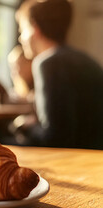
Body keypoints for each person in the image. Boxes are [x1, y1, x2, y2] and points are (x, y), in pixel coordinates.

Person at [16, 0, 103, 149]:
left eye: (22, 30)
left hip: (77, 161)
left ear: (34, 28)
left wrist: (25, 126)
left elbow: (55, 138)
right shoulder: (86, 59)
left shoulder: (48, 63)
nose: (20, 38)